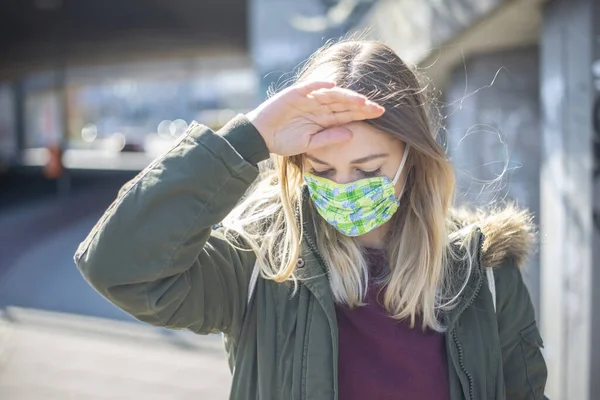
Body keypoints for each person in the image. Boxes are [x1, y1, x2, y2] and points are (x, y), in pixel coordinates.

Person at [75, 40, 548, 400]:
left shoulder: (483, 272)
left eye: (367, 170)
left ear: (414, 160)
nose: (343, 187)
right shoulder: (258, 266)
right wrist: (248, 138)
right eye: (322, 170)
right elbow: (117, 268)